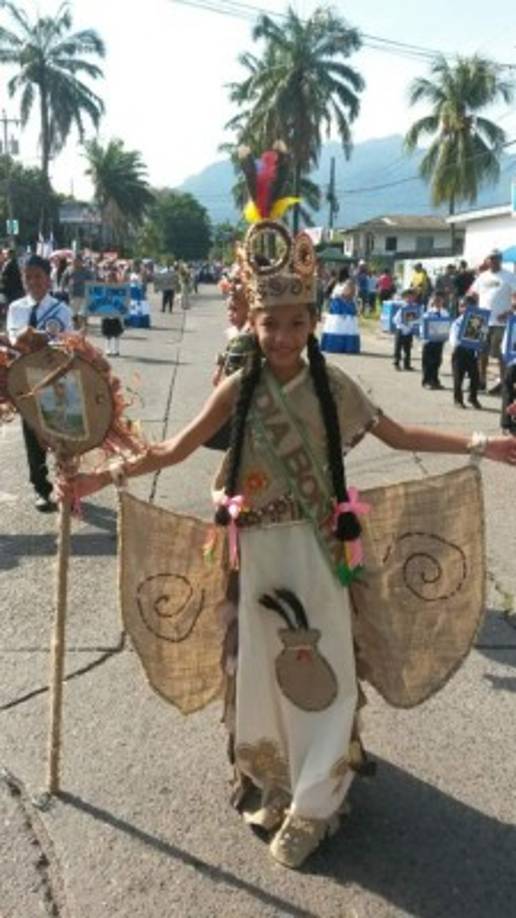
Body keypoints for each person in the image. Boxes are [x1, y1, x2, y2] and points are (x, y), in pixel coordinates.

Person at [59, 216, 516, 871]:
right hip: (256, 554)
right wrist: (100, 477)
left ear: (312, 323)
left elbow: (402, 436)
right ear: (255, 323)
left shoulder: (334, 387)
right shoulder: (238, 387)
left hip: (322, 552)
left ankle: (317, 798)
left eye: (296, 322)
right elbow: (175, 448)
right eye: (271, 323)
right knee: (259, 676)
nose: (282, 335)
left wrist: (482, 444)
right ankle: (271, 776)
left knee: (326, 674)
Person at [7, 254, 73, 511]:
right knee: (32, 434)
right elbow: (14, 341)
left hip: (55, 379)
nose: (33, 281)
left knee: (61, 434)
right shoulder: (16, 308)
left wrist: (46, 340)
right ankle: (42, 488)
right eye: (28, 277)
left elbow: (68, 344)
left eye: (38, 276)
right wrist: (27, 339)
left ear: (49, 279)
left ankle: (67, 484)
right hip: (26, 382)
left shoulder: (62, 310)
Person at [469, 249, 516, 394]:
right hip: (481, 320)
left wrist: (509, 311)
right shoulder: (482, 277)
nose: (493, 261)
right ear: (487, 260)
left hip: (500, 322)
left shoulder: (509, 276)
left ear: (501, 260)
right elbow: (472, 293)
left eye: (496, 258)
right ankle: (481, 381)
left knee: (501, 355)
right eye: (491, 258)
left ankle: (504, 383)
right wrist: (472, 308)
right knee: (481, 354)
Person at [448, 296, 483, 409]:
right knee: (458, 378)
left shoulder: (477, 321)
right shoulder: (457, 323)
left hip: (472, 353)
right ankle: (458, 400)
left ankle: (472, 397)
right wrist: (461, 343)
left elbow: (481, 335)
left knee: (475, 377)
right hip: (459, 352)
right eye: (462, 306)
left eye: (468, 306)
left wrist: (480, 341)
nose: (464, 308)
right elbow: (453, 339)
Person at [320, 276, 360, 354]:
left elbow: (354, 311)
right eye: (347, 287)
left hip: (348, 323)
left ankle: (348, 347)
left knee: (348, 330)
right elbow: (334, 309)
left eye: (351, 288)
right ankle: (335, 346)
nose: (349, 289)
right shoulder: (337, 299)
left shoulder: (352, 301)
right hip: (338, 323)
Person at [421, 293, 449, 390]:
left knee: (437, 361)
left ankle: (435, 380)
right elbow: (423, 326)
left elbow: (446, 325)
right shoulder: (428, 313)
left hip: (439, 341)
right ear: (432, 301)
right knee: (428, 362)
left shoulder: (445, 313)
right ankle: (427, 381)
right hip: (429, 342)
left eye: (440, 300)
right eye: (436, 300)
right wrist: (425, 337)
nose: (438, 303)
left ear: (443, 301)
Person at [62, 254, 94, 329]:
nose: (75, 262)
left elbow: (92, 280)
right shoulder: (69, 269)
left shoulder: (86, 270)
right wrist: (62, 288)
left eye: (77, 260)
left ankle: (82, 327)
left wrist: (91, 288)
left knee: (82, 313)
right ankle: (75, 326)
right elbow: (64, 279)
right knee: (73, 312)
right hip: (73, 293)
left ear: (81, 261)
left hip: (84, 294)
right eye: (74, 260)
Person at [500, 294, 516, 434]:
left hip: (512, 360)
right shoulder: (512, 320)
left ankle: (507, 423)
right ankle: (507, 422)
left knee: (508, 390)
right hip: (513, 360)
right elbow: (506, 343)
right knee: (508, 389)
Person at [392, 288, 418, 371]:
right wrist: (402, 325)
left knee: (408, 348)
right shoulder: (403, 308)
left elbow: (416, 319)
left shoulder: (415, 307)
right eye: (409, 297)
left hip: (409, 331)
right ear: (406, 298)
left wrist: (413, 326)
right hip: (400, 330)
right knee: (398, 348)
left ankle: (407, 364)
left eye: (413, 297)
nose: (411, 299)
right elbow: (395, 320)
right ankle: (396, 363)